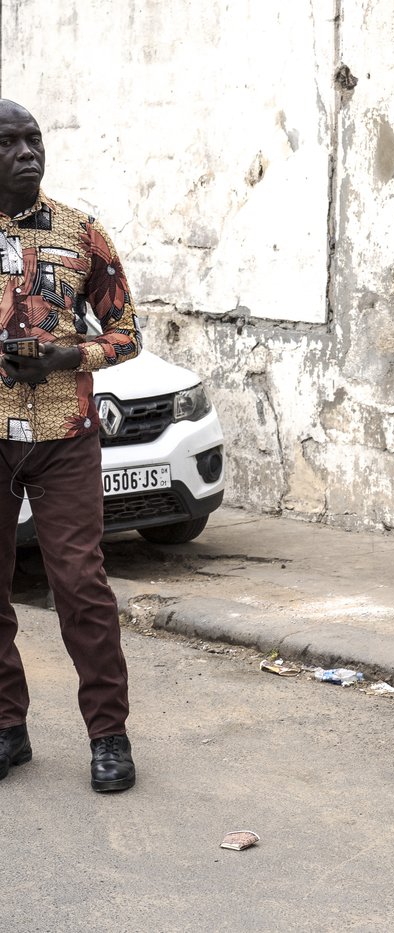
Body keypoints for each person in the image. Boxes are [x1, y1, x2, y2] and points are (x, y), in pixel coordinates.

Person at [0, 100, 143, 791]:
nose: (27, 152)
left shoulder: (81, 232)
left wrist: (66, 358)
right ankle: (7, 727)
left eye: (34, 140)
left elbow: (128, 333)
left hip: (64, 438)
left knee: (81, 586)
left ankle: (108, 735)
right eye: (9, 143)